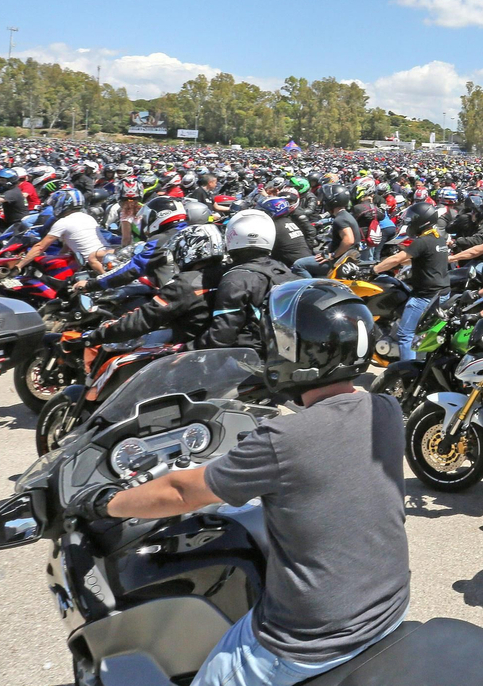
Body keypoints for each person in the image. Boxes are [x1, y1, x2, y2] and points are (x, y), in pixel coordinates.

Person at [66, 280, 409, 686]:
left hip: (307, 641)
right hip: (389, 608)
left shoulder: (283, 441)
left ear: (303, 350)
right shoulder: (385, 409)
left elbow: (180, 492)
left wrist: (105, 502)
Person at [84, 224, 225, 352]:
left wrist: (95, 336)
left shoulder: (185, 284)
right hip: (220, 347)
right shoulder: (230, 274)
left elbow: (143, 319)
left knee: (133, 353)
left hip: (191, 353)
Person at [199, 210, 298, 351]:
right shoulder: (282, 269)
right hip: (282, 352)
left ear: (231, 236)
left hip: (250, 359)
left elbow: (221, 337)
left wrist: (185, 348)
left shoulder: (235, 279)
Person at [372, 202, 449, 362]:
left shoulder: (422, 241)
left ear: (422, 221)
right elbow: (422, 259)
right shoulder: (438, 238)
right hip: (442, 293)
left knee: (405, 334)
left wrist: (374, 269)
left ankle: (406, 372)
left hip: (424, 297)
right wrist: (397, 263)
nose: (409, 223)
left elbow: (399, 257)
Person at [92, 197, 189, 291]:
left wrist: (93, 284)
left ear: (163, 215)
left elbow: (134, 268)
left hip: (174, 297)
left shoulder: (160, 241)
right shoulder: (191, 230)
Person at [14, 188, 112, 275]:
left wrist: (18, 266)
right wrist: (59, 255)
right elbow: (71, 241)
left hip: (89, 263)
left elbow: (40, 247)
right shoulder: (88, 217)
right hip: (105, 256)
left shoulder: (63, 222)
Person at [294, 183, 359, 278]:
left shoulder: (340, 219)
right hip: (346, 257)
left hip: (339, 260)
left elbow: (349, 240)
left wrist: (332, 255)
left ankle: (311, 288)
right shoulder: (346, 216)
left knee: (298, 265)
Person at [260, 197, 314, 269]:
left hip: (295, 266)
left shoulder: (274, 226)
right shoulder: (288, 221)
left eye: (265, 211)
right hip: (304, 258)